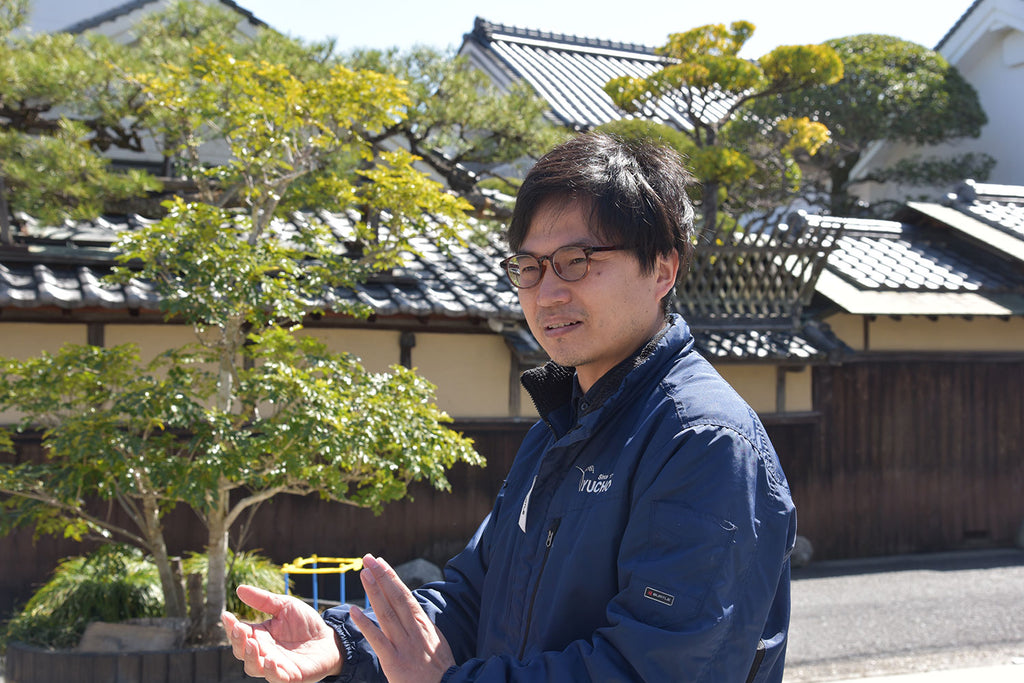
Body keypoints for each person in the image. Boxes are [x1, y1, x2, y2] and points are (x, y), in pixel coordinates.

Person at [223, 132, 797, 683]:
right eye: (530, 267)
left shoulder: (702, 440)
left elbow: (655, 669)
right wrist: (349, 644)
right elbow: (474, 600)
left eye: (577, 259)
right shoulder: (560, 428)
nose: (547, 292)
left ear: (663, 270)